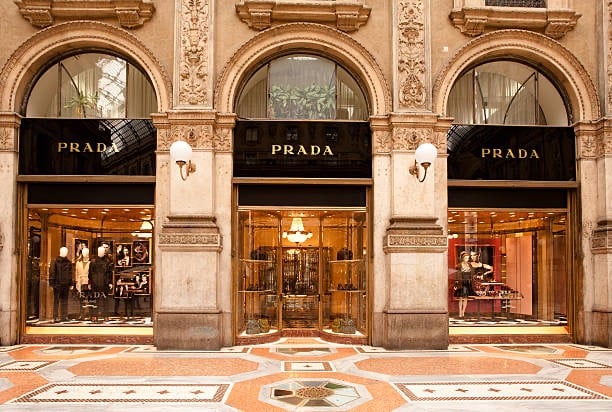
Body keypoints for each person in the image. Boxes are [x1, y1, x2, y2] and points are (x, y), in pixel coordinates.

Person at [88, 246, 113, 320]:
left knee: (105, 300)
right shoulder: (93, 262)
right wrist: (90, 282)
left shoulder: (107, 262)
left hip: (104, 283)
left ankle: (105, 315)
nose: (102, 253)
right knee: (95, 300)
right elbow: (90, 273)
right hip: (95, 283)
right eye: (100, 251)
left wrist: (110, 282)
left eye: (103, 251)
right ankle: (94, 315)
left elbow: (109, 273)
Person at [49, 246, 73, 322]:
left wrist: (71, 283)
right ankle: (55, 316)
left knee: (65, 301)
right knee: (56, 301)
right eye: (63, 251)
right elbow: (52, 272)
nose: (65, 253)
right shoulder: (55, 261)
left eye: (66, 252)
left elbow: (70, 273)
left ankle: (64, 316)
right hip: (57, 284)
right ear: (60, 252)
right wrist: (52, 283)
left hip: (66, 284)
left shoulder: (68, 262)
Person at [456, 251, 473, 318]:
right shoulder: (459, 265)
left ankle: (463, 311)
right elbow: (457, 275)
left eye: (468, 258)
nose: (467, 259)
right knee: (461, 298)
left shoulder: (469, 265)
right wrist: (457, 283)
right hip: (461, 282)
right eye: (465, 258)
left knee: (465, 298)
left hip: (468, 282)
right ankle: (460, 312)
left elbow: (472, 273)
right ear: (463, 258)